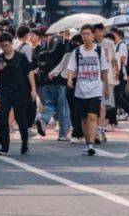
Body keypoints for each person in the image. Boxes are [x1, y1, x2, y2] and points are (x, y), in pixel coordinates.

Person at [66, 24, 110, 156]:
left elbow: (104, 71)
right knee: (84, 118)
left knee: (92, 116)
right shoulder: (77, 51)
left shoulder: (99, 51)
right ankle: (87, 142)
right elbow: (71, 68)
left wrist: (106, 87)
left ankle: (91, 144)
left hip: (95, 89)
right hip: (80, 90)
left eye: (88, 34)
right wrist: (69, 79)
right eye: (83, 34)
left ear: (93, 35)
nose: (85, 36)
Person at [0, 33, 37, 155]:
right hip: (4, 91)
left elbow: (29, 73)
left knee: (21, 118)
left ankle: (25, 142)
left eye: (6, 45)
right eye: (2, 46)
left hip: (20, 92)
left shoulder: (21, 57)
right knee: (3, 119)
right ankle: (4, 147)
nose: (5, 48)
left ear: (11, 43)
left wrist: (33, 89)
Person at [33, 31, 70, 141]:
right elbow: (66, 60)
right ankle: (63, 133)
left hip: (46, 79)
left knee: (50, 103)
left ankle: (43, 119)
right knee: (63, 107)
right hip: (60, 79)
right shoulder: (65, 43)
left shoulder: (45, 43)